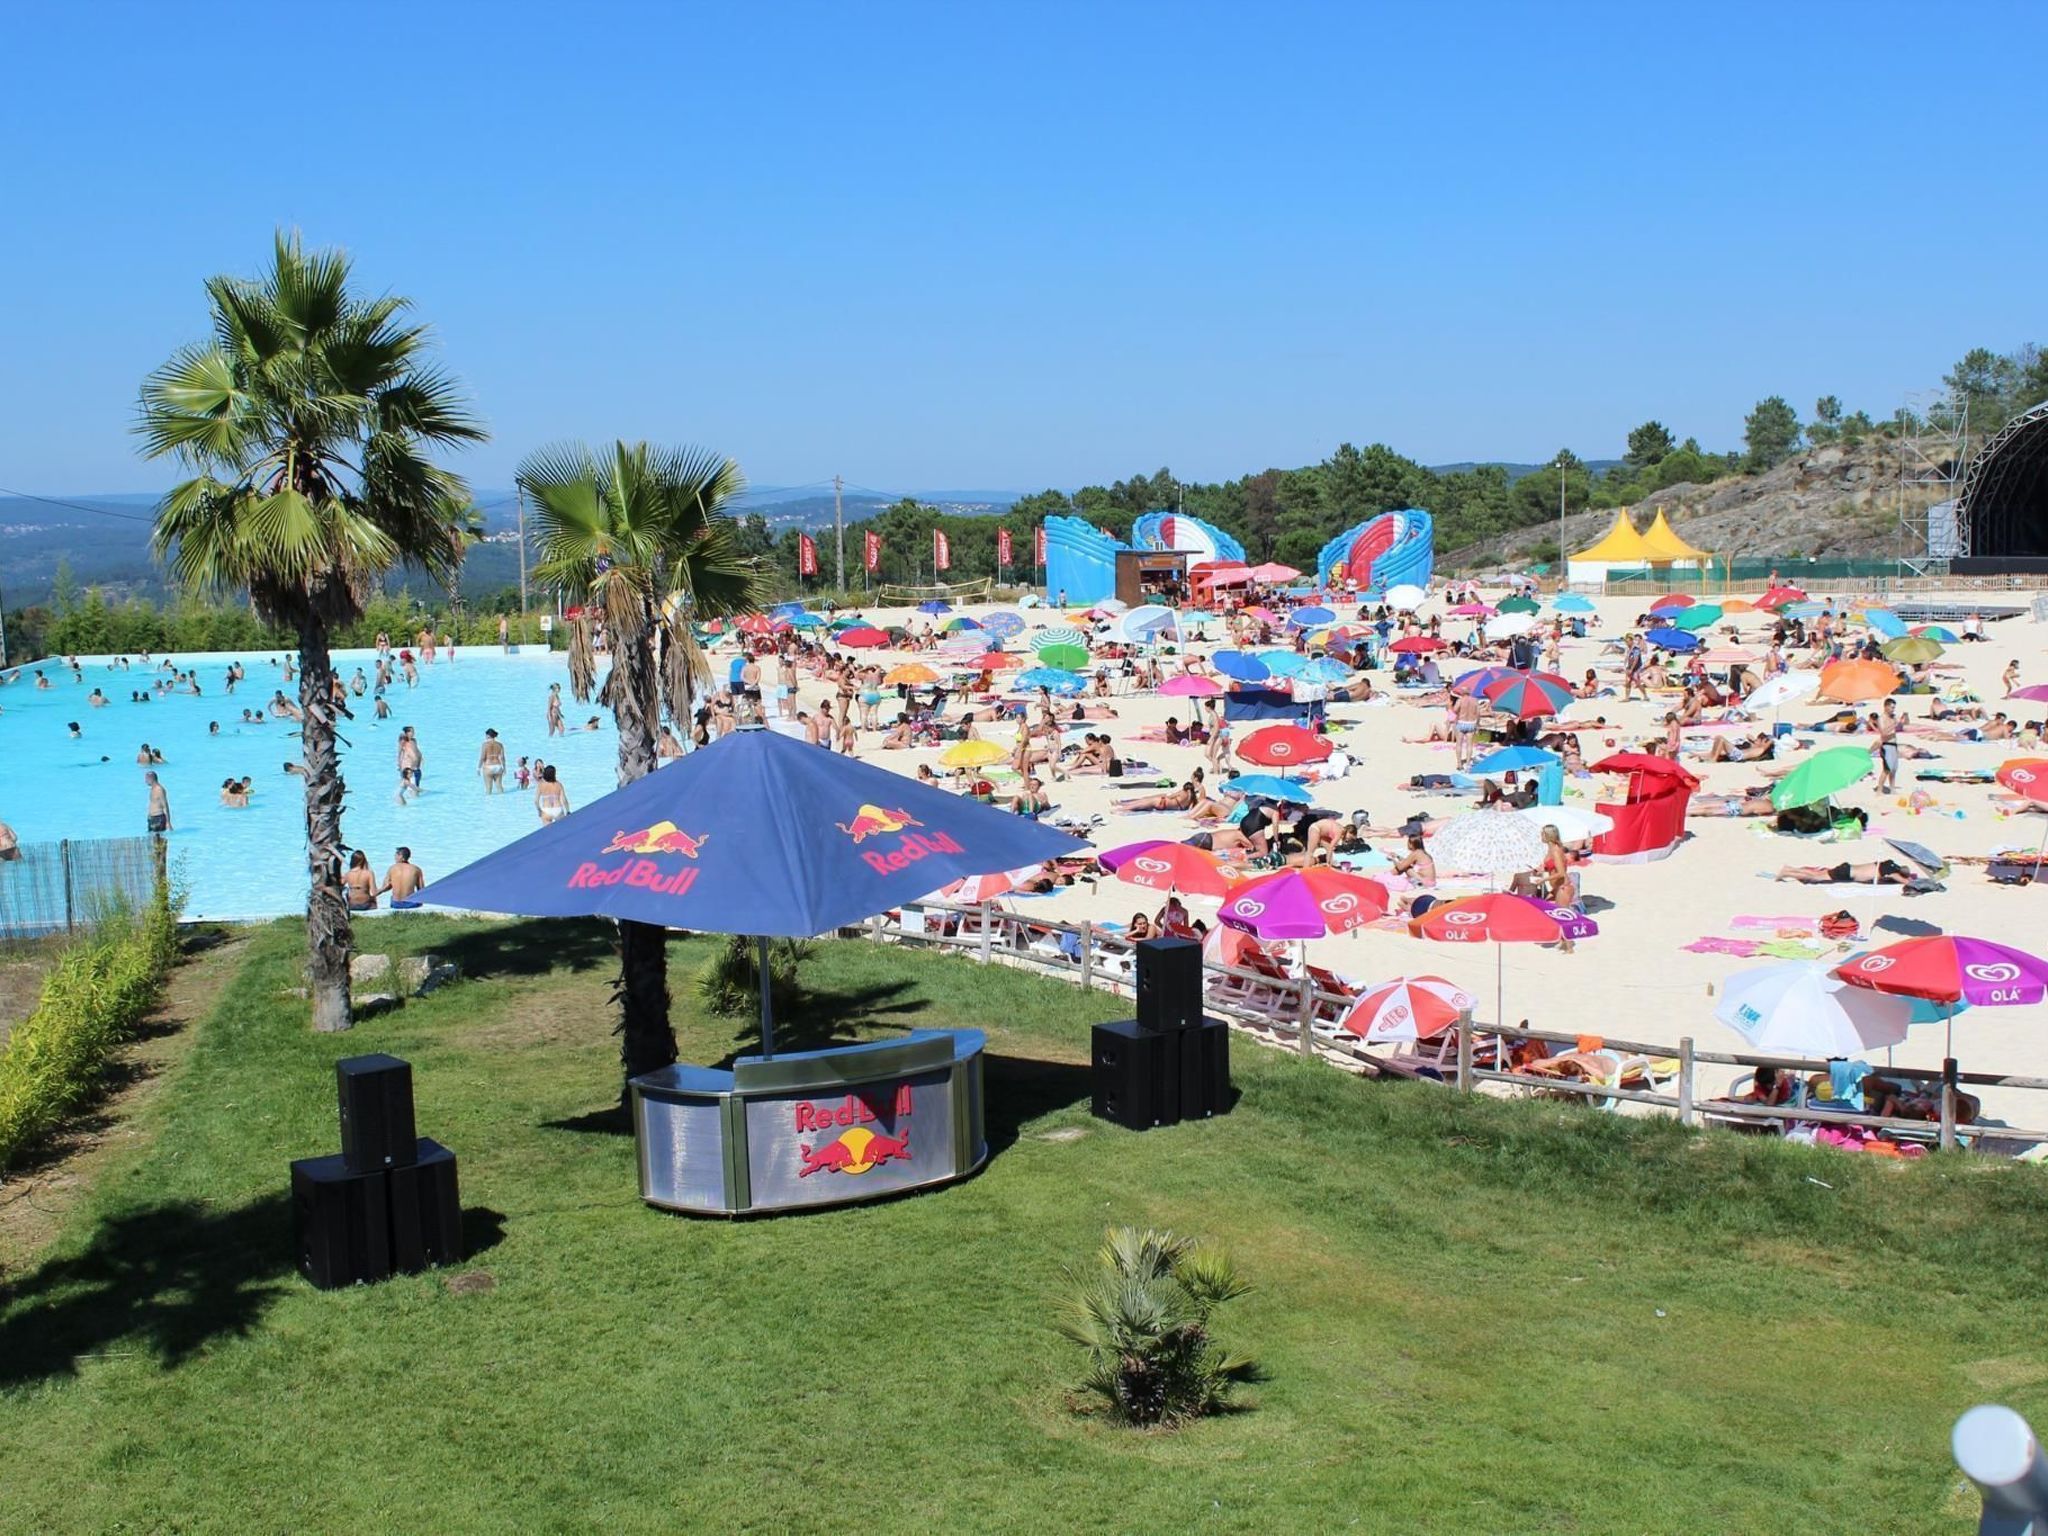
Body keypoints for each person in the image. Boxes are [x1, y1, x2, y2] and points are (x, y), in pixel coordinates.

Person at [1775, 859, 1916, 885]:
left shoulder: (1886, 863)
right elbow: (1906, 882)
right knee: (1815, 877)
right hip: (1847, 873)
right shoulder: (1891, 872)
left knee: (1816, 875)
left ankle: (1790, 869)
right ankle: (1787, 872)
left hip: (1848, 868)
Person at [397, 726, 423, 804]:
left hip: (417, 763)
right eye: (411, 731)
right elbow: (400, 752)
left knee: (418, 776)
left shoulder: (414, 740)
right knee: (409, 780)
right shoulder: (403, 741)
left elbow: (417, 750)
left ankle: (417, 794)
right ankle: (404, 797)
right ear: (407, 733)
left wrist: (421, 757)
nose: (413, 733)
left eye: (413, 731)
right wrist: (399, 764)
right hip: (409, 763)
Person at [478, 728, 507, 795]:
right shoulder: (500, 744)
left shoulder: (485, 744)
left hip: (488, 766)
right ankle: (503, 802)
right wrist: (504, 768)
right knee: (499, 787)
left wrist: (478, 768)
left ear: (488, 735)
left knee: (488, 788)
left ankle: (489, 803)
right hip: (498, 766)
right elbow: (502, 758)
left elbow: (482, 757)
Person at [144, 770, 171, 834]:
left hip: (159, 818)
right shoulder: (152, 789)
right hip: (152, 818)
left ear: (151, 779)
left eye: (146, 779)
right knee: (151, 841)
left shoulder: (159, 790)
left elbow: (165, 806)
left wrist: (168, 822)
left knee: (159, 842)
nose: (145, 781)